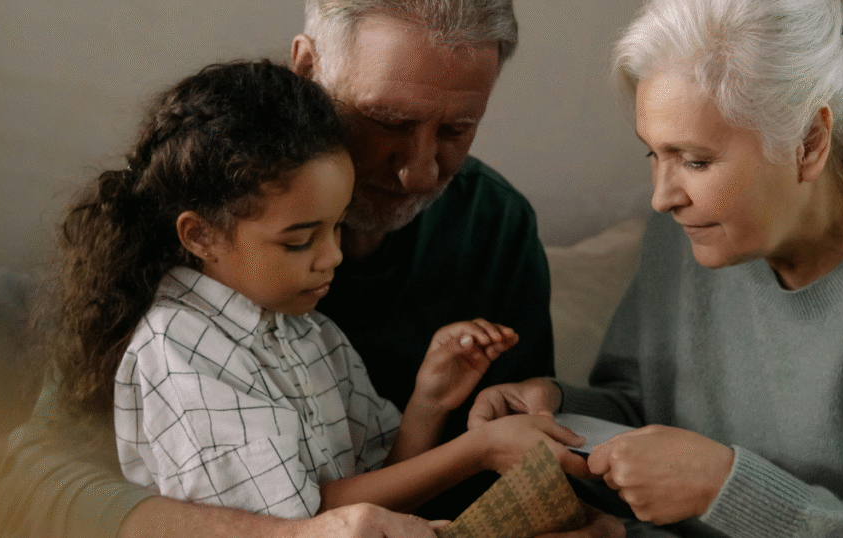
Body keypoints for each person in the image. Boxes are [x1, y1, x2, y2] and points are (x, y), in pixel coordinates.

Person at [0, 2, 626, 537]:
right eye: (388, 121)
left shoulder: (492, 227)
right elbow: (36, 478)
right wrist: (288, 535)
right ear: (308, 70)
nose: (420, 171)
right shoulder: (188, 231)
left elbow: (523, 452)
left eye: (457, 129)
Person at [469, 0, 843, 536]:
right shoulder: (688, 236)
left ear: (809, 143)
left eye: (695, 161)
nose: (661, 197)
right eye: (653, 155)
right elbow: (652, 413)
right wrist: (560, 411)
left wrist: (723, 486)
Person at [88, 59, 580, 517]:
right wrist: (478, 451)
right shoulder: (181, 348)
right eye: (300, 241)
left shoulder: (308, 332)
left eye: (338, 227)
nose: (333, 258)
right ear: (201, 235)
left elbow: (383, 481)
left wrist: (429, 404)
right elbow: (303, 525)